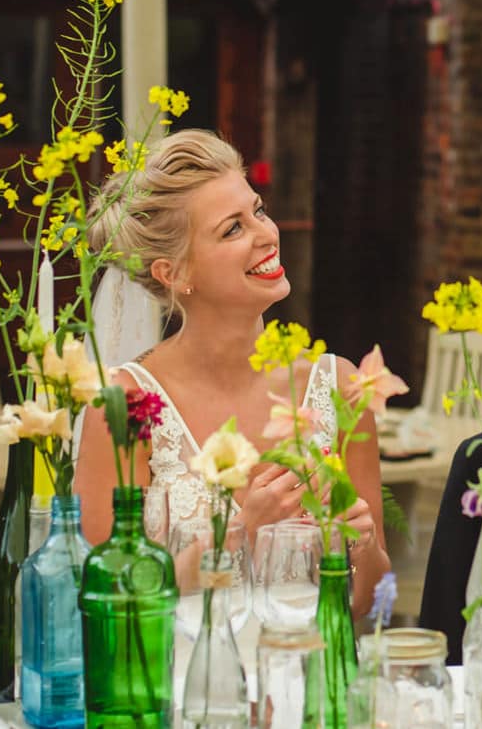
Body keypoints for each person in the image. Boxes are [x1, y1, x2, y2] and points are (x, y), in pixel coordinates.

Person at [72, 128, 391, 614]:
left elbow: (367, 603)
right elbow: (109, 605)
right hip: (181, 682)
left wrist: (356, 541)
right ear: (174, 273)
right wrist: (242, 532)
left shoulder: (339, 387)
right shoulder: (125, 406)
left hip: (306, 676)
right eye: (232, 229)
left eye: (258, 211)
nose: (267, 234)